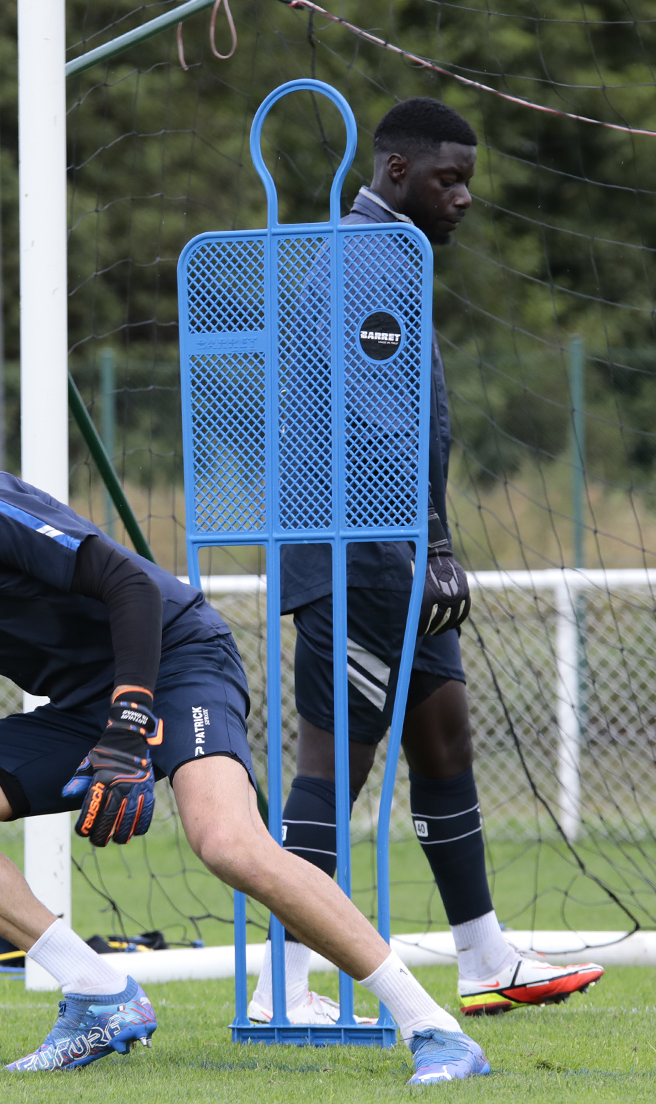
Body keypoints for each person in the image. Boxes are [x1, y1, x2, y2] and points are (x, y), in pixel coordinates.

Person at [0, 400, 490, 1083]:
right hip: (83, 708)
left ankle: (434, 1029)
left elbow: (131, 583)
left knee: (228, 843)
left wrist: (129, 723)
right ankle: (99, 995)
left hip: (176, 658)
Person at [251, 96, 604, 1025]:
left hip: (384, 551)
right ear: (397, 171)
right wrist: (434, 546)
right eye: (450, 179)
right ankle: (282, 983)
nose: (465, 197)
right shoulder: (367, 261)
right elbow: (377, 428)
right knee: (335, 760)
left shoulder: (390, 254)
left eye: (469, 181)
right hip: (361, 552)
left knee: (442, 731)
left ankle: (484, 957)